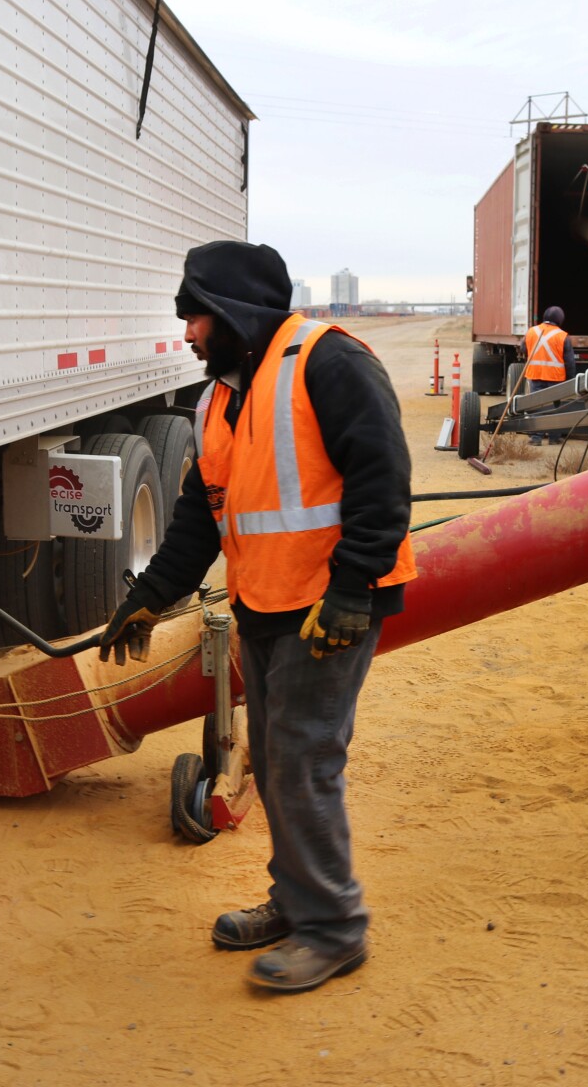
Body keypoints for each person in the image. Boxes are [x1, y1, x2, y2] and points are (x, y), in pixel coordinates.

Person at [97, 240, 416, 993]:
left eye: (196, 317)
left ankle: (333, 928)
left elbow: (383, 475)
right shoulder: (219, 400)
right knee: (275, 763)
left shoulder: (328, 362)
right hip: (267, 603)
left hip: (329, 605)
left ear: (234, 311)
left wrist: (352, 588)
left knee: (302, 761)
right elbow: (200, 515)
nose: (187, 334)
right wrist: (150, 594)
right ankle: (299, 901)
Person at [521, 306, 576, 445]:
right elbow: (569, 362)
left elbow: (523, 348)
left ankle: (536, 438)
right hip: (555, 378)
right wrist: (571, 380)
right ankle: (554, 438)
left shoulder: (532, 331)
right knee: (555, 407)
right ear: (560, 319)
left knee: (537, 406)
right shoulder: (562, 336)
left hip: (535, 374)